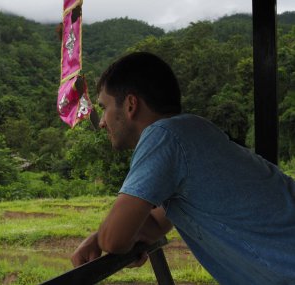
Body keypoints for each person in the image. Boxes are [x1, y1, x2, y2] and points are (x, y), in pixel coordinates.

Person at [70, 52, 295, 284]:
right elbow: (156, 223)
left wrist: (106, 239)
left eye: (104, 108)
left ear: (130, 104)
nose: (102, 122)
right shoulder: (192, 132)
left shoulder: (163, 136)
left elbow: (115, 240)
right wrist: (99, 238)